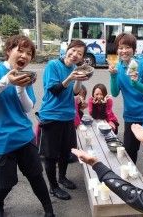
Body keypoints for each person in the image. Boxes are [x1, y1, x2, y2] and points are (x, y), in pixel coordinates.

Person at [0, 35, 54, 217]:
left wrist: (21, 87)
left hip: (24, 136)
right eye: (20, 50)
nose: (25, 56)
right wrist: (6, 81)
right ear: (9, 50)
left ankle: (49, 211)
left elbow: (28, 107)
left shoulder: (25, 77)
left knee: (36, 176)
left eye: (29, 53)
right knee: (4, 183)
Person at [37, 40, 88, 200]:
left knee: (66, 152)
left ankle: (62, 177)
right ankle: (53, 187)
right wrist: (70, 77)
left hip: (68, 116)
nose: (75, 55)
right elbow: (55, 89)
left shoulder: (74, 68)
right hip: (51, 115)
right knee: (50, 155)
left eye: (79, 54)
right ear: (68, 49)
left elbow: (74, 92)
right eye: (73, 50)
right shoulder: (53, 65)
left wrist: (79, 77)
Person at [108, 33, 143, 164]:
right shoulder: (117, 67)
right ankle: (131, 180)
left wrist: (135, 83)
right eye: (120, 48)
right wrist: (113, 76)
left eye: (127, 47)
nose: (124, 51)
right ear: (117, 50)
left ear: (134, 49)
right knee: (130, 152)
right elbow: (114, 93)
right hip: (131, 117)